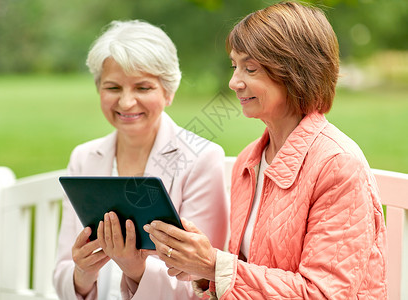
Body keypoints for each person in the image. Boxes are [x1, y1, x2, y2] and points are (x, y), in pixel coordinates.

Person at [144, 2, 388, 299]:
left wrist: (214, 265)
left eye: (250, 68)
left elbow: (323, 294)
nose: (234, 82)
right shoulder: (249, 160)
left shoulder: (338, 164)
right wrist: (202, 269)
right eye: (235, 66)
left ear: (297, 71)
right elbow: (249, 269)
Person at [53, 20, 229, 300]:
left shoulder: (202, 158)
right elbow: (63, 271)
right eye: (113, 88)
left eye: (143, 88)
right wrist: (83, 272)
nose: (125, 103)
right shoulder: (84, 158)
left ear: (168, 92)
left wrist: (136, 270)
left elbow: (202, 283)